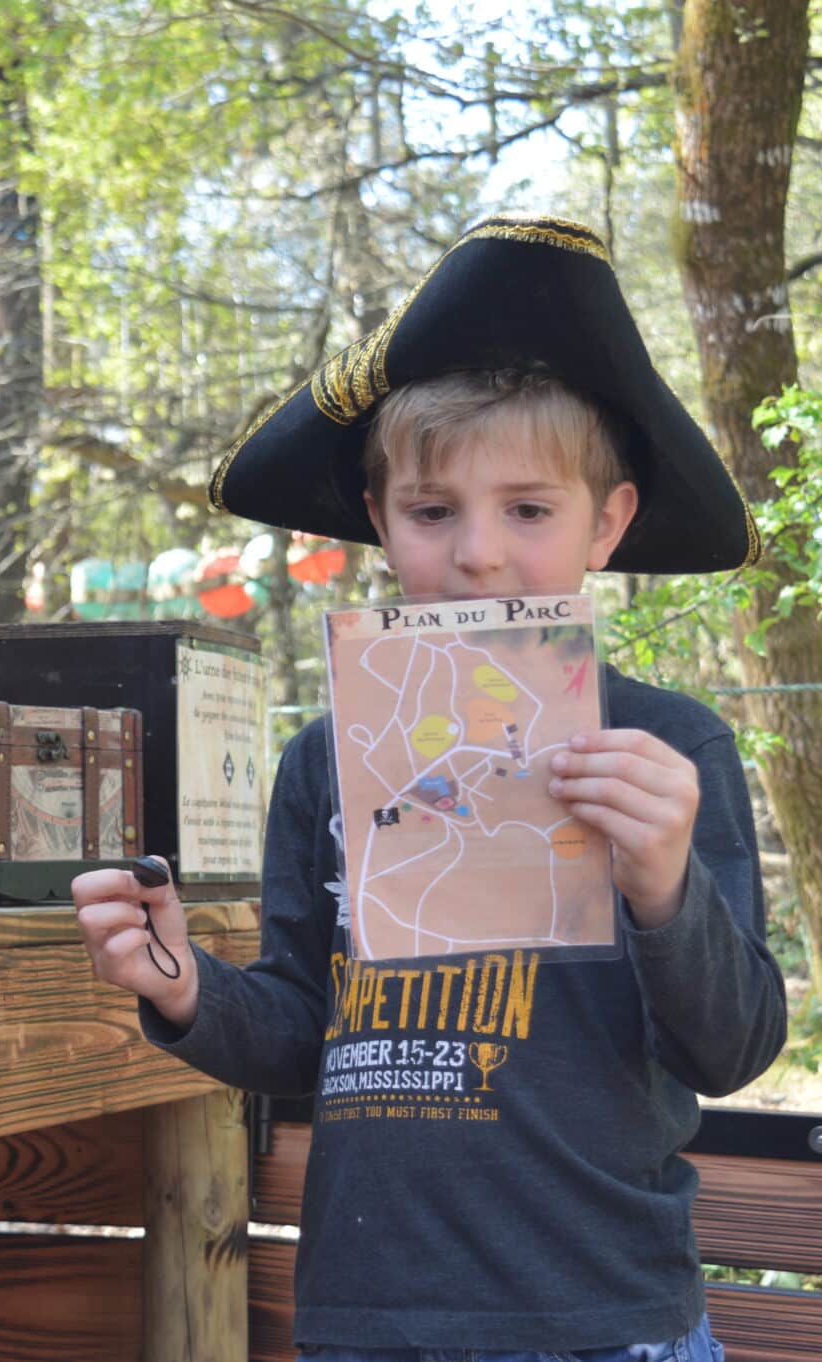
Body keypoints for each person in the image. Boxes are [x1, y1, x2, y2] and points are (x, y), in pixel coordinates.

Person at [73, 215, 787, 1361]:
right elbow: (305, 1027)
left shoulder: (667, 746)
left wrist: (660, 885)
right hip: (369, 1315)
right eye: (431, 511)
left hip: (603, 1319)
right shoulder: (324, 758)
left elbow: (734, 1047)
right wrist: (181, 989)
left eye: (528, 510)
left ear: (606, 525)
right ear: (377, 521)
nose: (477, 554)